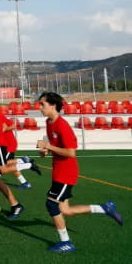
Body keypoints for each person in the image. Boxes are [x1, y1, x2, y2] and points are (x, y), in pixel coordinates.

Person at [36, 92, 123, 252]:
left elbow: (71, 152)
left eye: (43, 104)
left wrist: (48, 146)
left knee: (51, 204)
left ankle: (66, 242)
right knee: (65, 211)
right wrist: (45, 150)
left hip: (66, 173)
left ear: (53, 105)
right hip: (58, 171)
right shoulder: (49, 122)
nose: (39, 107)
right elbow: (55, 146)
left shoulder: (62, 125)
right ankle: (104, 208)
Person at [0, 94, 41, 194]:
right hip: (3, 144)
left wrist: (4, 129)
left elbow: (12, 126)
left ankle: (25, 163)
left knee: (1, 168)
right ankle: (25, 181)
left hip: (8, 145)